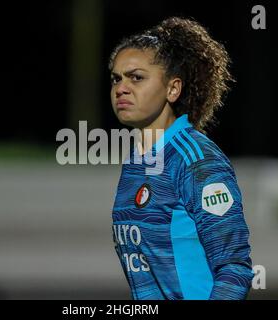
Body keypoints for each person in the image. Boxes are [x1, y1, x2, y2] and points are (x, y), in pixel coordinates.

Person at [110, 17, 254, 300]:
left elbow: (234, 269)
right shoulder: (137, 163)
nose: (121, 88)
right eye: (116, 78)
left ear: (172, 89)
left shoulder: (197, 161)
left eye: (136, 77)